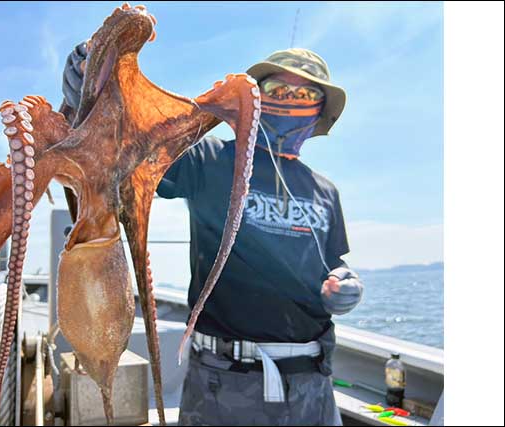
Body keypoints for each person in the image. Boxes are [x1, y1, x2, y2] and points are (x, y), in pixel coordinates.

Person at [63, 43, 364, 426]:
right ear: (255, 98)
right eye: (277, 90)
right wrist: (90, 100)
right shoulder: (208, 160)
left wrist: (343, 282)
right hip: (224, 384)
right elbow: (129, 149)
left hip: (312, 386)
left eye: (304, 94)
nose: (290, 100)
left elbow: (332, 261)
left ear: (321, 108)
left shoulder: (325, 190)